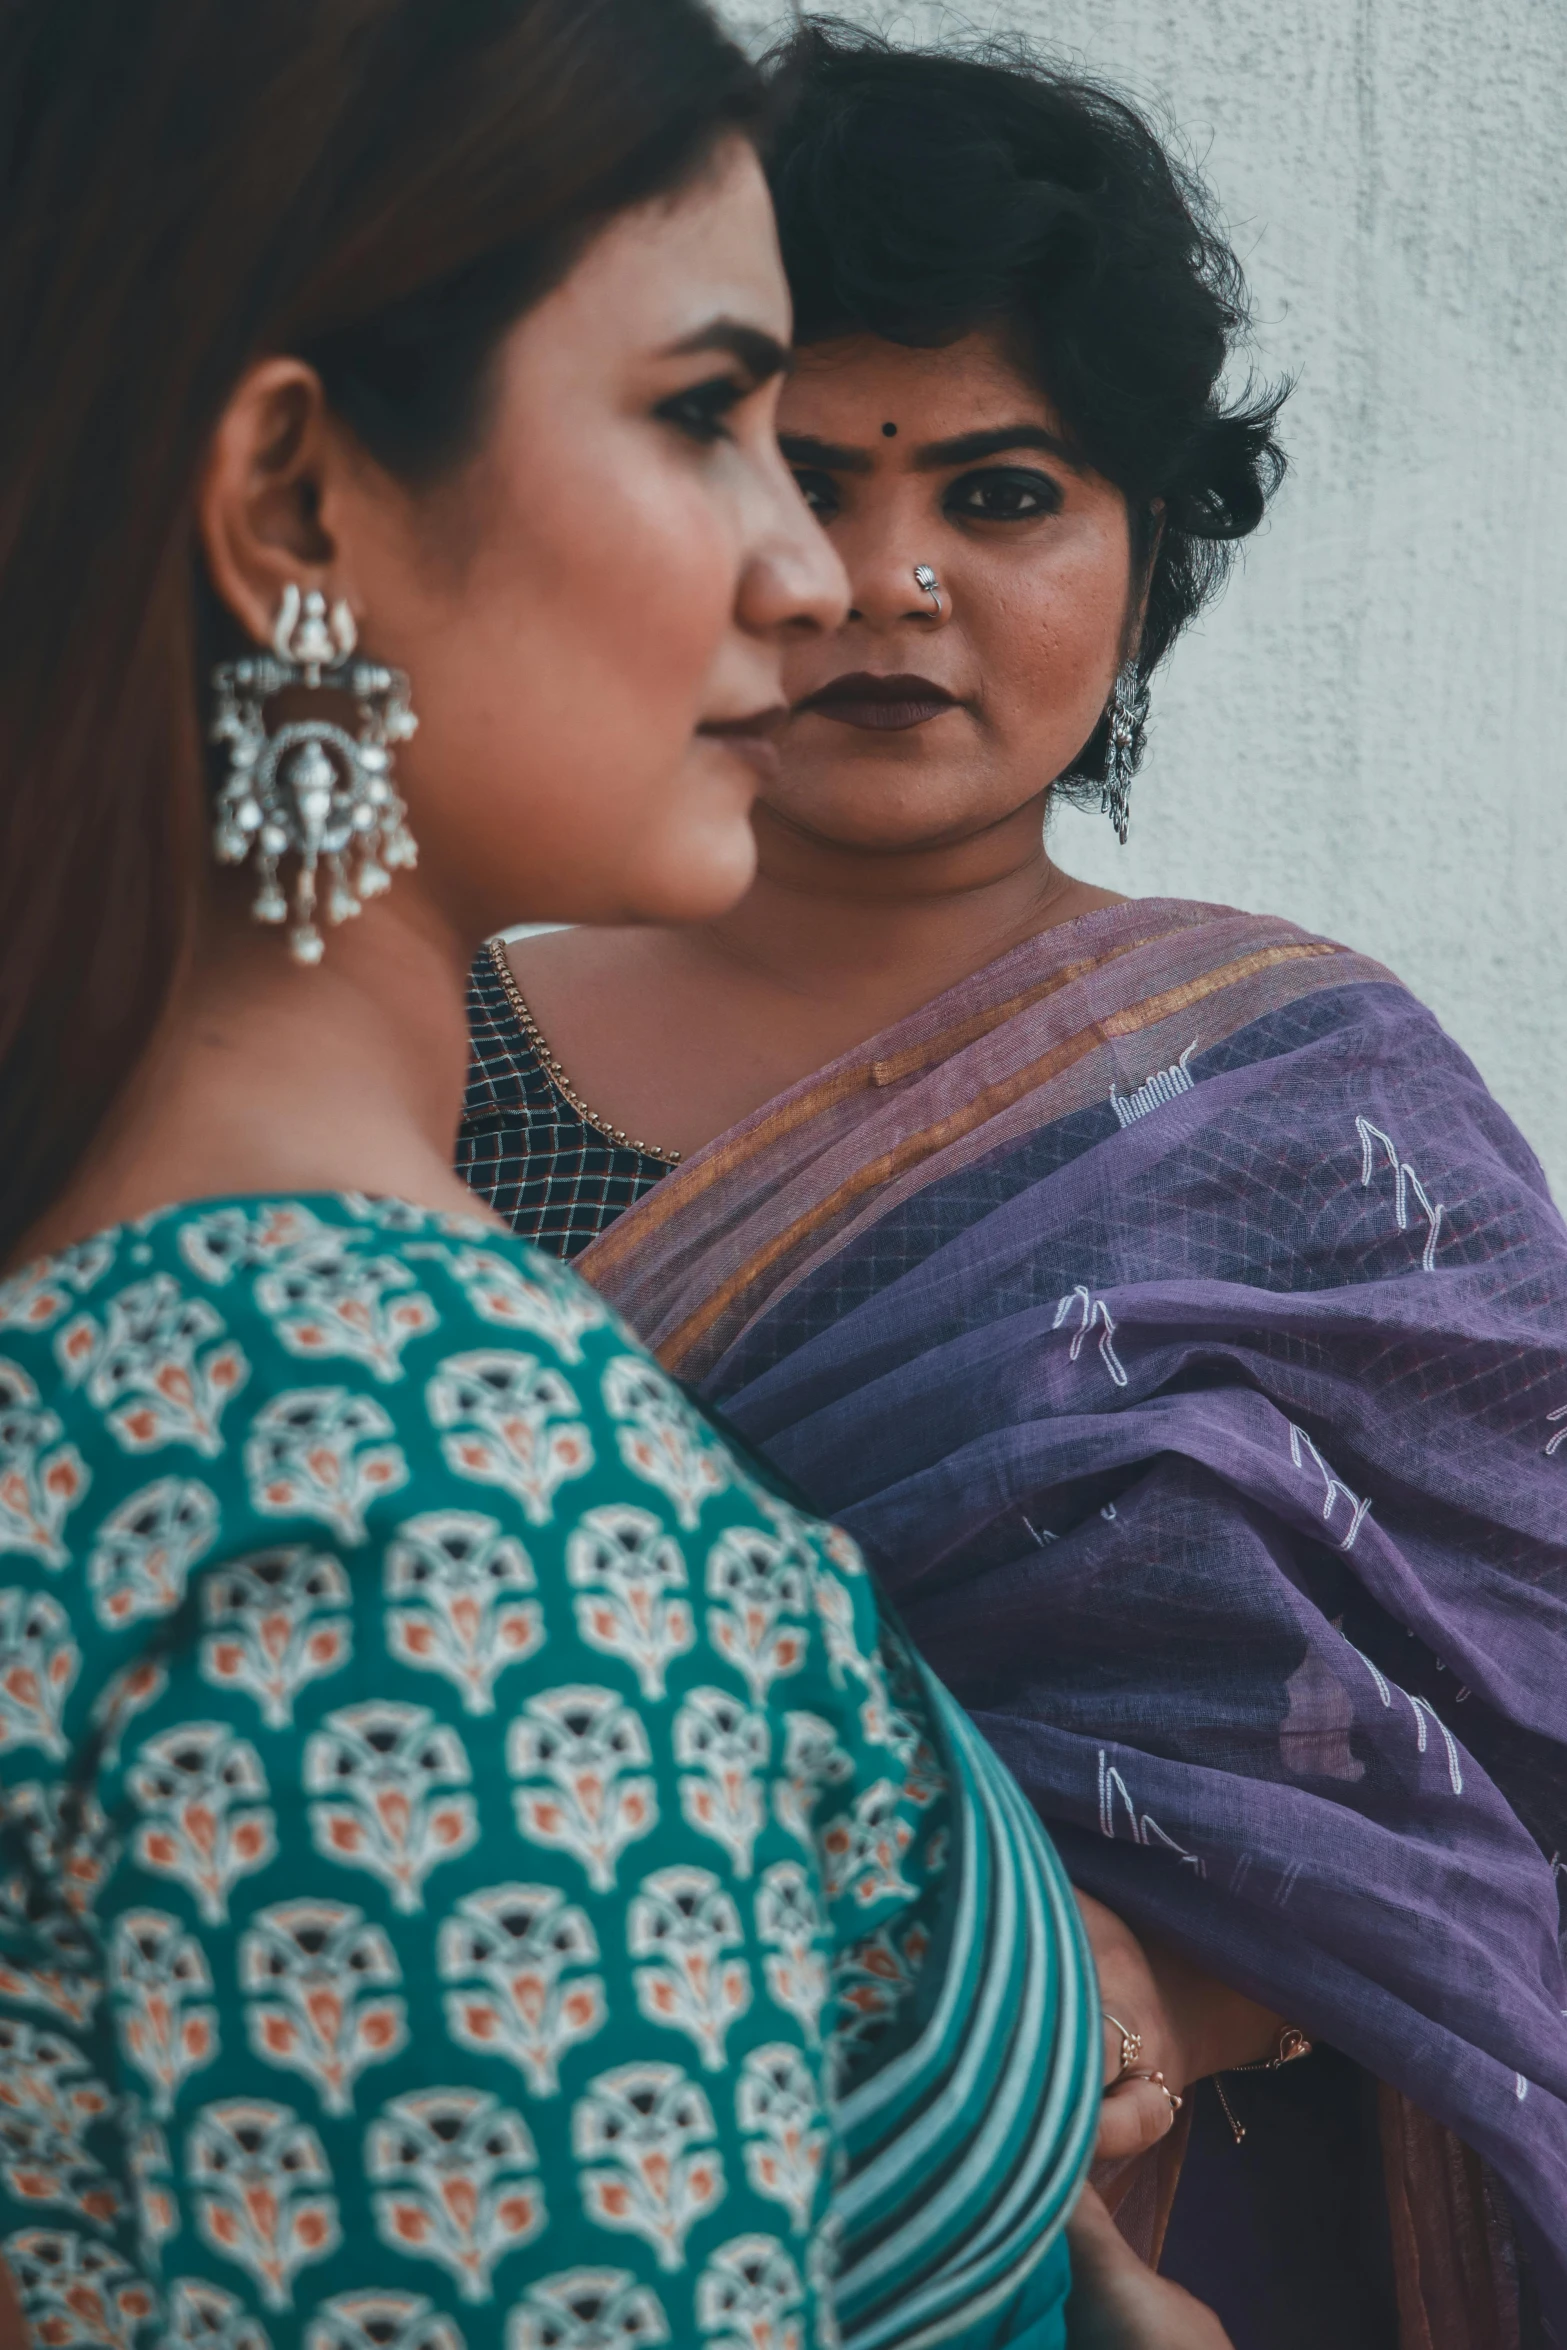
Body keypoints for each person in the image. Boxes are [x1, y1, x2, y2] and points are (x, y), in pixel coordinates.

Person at [0, 7, 1249, 2347]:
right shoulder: (417, 1517)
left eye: (991, 488)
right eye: (711, 419)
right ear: (291, 503)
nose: (820, 576)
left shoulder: (131, 1320)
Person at [458, 22, 1567, 2349]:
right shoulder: (416, 1053)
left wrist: (1180, 1980)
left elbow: (1519, 1731)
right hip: (545, 2197)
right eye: (794, 473)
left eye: (1002, 492)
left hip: (1198, 2234)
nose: (886, 578)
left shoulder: (1304, 1109)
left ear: (1147, 543)